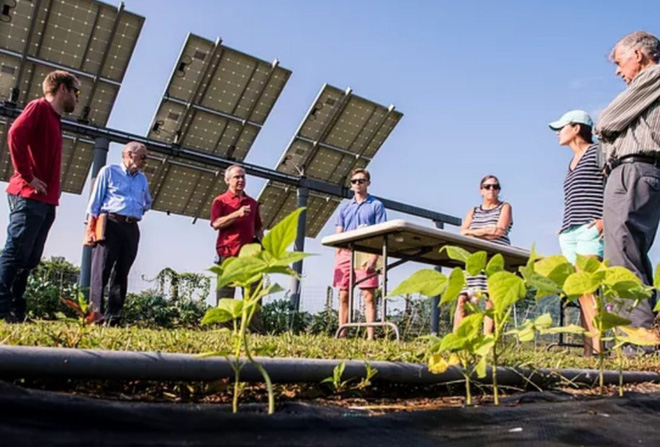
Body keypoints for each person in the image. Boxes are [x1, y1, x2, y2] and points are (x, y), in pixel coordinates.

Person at [0, 70, 80, 322]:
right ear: (63, 89)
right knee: (15, 252)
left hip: (46, 201)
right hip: (28, 196)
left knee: (30, 258)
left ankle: (16, 309)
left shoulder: (56, 120)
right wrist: (26, 175)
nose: (77, 99)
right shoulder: (38, 107)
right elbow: (15, 134)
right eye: (75, 92)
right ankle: (1, 308)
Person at [594, 31, 660, 330]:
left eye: (620, 63)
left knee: (621, 255)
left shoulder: (654, 76)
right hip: (637, 172)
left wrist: (609, 130)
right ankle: (642, 332)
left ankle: (636, 340)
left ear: (638, 55)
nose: (618, 71)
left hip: (635, 169)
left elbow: (606, 120)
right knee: (630, 253)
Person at [549, 110, 604, 356]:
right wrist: (563, 228)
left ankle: (598, 352)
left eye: (562, 127)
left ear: (577, 128)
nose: (559, 133)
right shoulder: (571, 163)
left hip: (590, 230)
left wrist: (606, 219)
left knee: (589, 289)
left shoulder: (597, 152)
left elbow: (616, 183)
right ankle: (588, 353)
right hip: (570, 232)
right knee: (581, 293)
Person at [85, 142, 152, 325]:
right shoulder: (109, 172)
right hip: (110, 223)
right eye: (143, 157)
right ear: (130, 155)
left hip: (131, 227)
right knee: (102, 270)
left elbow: (147, 202)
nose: (145, 161)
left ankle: (114, 316)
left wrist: (135, 210)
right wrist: (90, 229)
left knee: (122, 272)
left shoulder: (142, 179)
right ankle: (95, 315)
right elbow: (95, 202)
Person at [454, 175, 512, 334]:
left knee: (490, 299)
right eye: (487, 186)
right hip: (473, 259)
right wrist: (486, 231)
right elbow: (463, 233)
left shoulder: (505, 207)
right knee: (463, 299)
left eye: (495, 186)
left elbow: (499, 231)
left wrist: (474, 232)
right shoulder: (473, 211)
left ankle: (487, 340)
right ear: (481, 190)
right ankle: (458, 340)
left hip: (494, 258)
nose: (491, 189)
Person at [334, 168, 387, 340]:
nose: (358, 183)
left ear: (368, 183)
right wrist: (338, 254)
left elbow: (381, 233)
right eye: (354, 181)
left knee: (368, 295)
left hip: (367, 250)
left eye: (361, 181)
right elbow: (339, 232)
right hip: (346, 251)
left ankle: (370, 336)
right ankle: (342, 335)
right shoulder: (344, 208)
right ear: (351, 184)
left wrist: (374, 258)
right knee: (343, 294)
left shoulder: (376, 205)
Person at [210, 165, 264, 333]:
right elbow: (216, 223)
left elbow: (258, 228)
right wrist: (236, 214)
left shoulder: (253, 203)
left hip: (250, 256)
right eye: (236, 177)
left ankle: (255, 331)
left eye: (242, 177)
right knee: (225, 295)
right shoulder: (220, 201)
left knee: (254, 294)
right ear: (227, 180)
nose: (240, 180)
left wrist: (264, 246)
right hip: (228, 254)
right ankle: (225, 331)